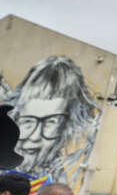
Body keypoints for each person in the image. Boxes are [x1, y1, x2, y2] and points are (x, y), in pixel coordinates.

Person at [3, 55, 100, 187]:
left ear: (65, 129)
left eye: (50, 122)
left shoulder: (54, 185)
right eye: (28, 121)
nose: (35, 136)